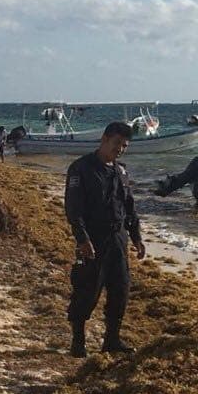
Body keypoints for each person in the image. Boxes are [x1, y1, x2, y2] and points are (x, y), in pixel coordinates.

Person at [64, 121, 146, 357]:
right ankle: (78, 341)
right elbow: (73, 208)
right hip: (93, 238)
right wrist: (82, 239)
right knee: (87, 290)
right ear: (104, 139)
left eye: (124, 146)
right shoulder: (81, 168)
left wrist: (136, 237)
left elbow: (129, 207)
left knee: (121, 290)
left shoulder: (121, 172)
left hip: (118, 238)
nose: (120, 149)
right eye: (117, 143)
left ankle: (112, 340)